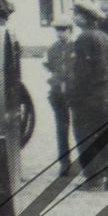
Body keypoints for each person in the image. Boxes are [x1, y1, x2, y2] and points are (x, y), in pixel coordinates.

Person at [65, 1, 108, 191]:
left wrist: (72, 95)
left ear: (84, 18)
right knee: (106, 136)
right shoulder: (104, 37)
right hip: (104, 94)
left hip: (87, 97)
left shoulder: (84, 38)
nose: (74, 17)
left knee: (85, 136)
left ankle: (94, 179)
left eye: (77, 14)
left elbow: (82, 73)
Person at [43, 22, 77, 175]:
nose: (60, 34)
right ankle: (65, 163)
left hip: (75, 92)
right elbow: (48, 66)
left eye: (63, 30)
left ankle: (85, 162)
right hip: (58, 94)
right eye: (57, 30)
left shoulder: (77, 46)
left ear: (70, 30)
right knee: (61, 130)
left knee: (79, 128)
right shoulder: (52, 48)